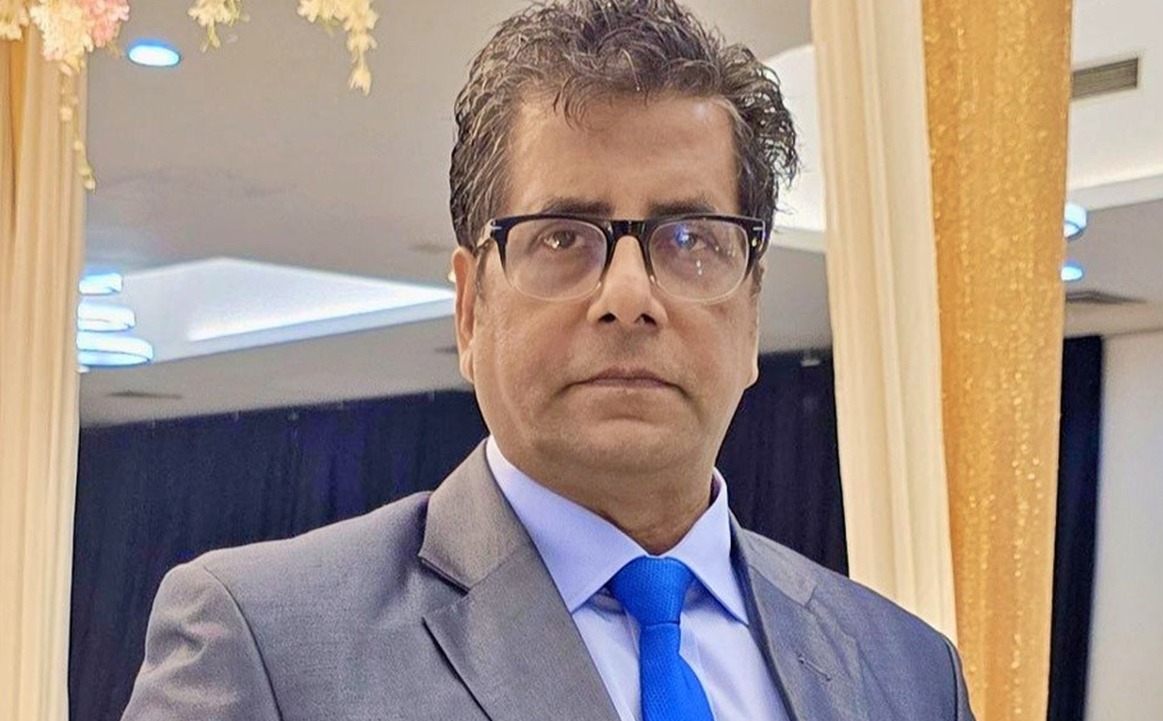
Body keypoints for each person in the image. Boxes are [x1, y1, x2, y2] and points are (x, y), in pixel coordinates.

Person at [122, 1, 976, 719]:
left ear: (750, 312)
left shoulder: (906, 671)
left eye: (691, 239)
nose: (630, 295)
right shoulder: (267, 647)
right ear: (470, 309)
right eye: (564, 236)